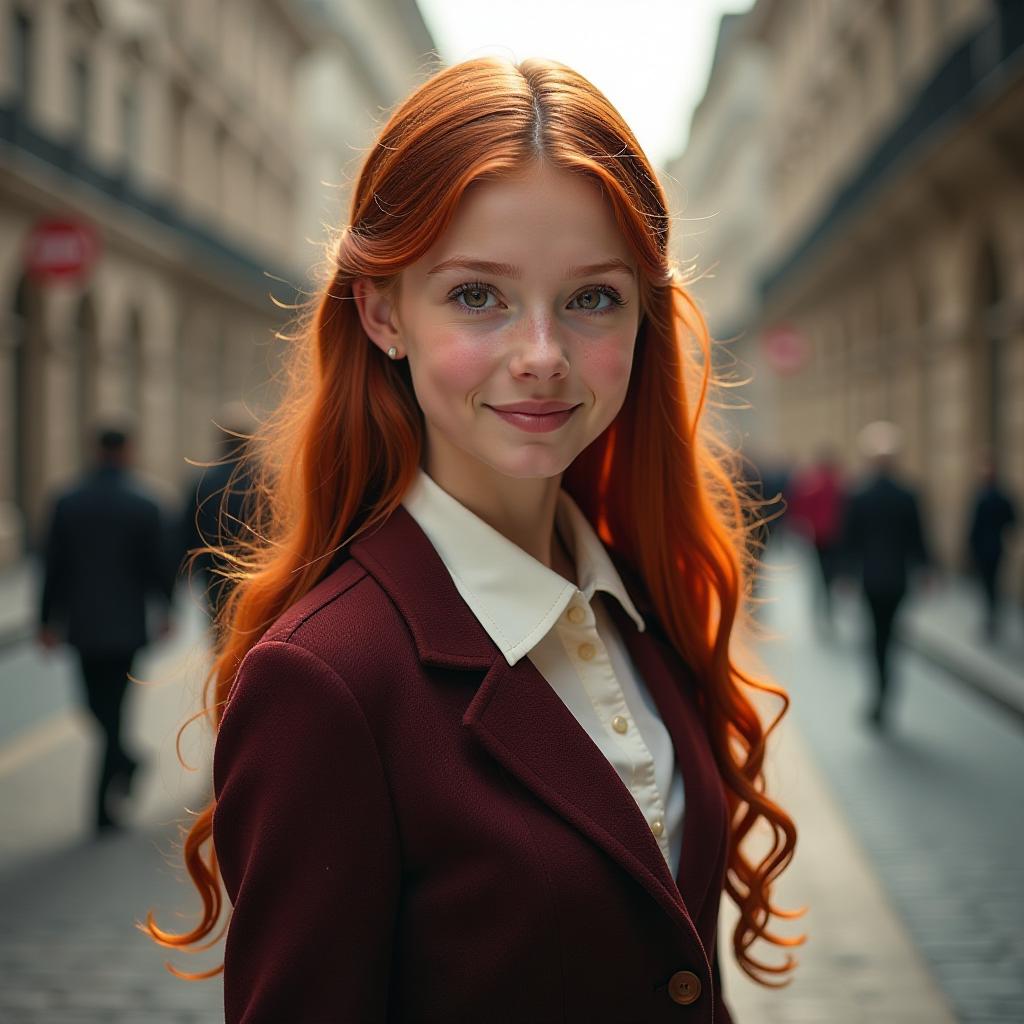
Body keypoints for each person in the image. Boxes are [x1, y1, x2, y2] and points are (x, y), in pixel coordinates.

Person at [145, 58, 802, 1022]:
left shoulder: (639, 598)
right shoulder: (326, 677)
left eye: (592, 298)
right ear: (382, 312)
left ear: (643, 316)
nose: (542, 357)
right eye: (476, 296)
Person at [38, 427, 173, 833]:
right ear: (128, 449)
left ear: (97, 450)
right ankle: (128, 761)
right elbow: (159, 567)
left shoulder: (66, 501)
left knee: (96, 709)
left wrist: (47, 619)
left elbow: (53, 568)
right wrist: (166, 608)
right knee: (112, 711)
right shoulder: (146, 502)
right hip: (127, 625)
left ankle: (102, 809)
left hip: (83, 624)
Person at [843, 421, 931, 730]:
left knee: (876, 637)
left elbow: (849, 539)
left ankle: (878, 693)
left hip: (870, 577)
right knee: (891, 635)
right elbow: (919, 538)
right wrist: (926, 570)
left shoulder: (859, 495)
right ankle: (886, 692)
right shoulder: (908, 494)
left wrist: (844, 575)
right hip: (897, 578)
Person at [177, 402, 257, 626]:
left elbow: (186, 534)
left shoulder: (203, 481)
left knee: (220, 635)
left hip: (213, 576)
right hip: (258, 575)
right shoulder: (268, 480)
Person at [789, 450, 845, 627]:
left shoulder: (814, 484)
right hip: (836, 536)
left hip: (819, 536)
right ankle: (828, 603)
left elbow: (801, 507)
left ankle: (822, 604)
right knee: (830, 572)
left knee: (821, 573)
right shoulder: (839, 485)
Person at [966, 461, 1017, 639]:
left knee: (988, 585)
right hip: (996, 548)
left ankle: (991, 619)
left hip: (984, 548)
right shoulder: (1002, 497)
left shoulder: (982, 497)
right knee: (991, 584)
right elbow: (1012, 520)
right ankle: (992, 617)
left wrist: (970, 546)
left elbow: (974, 525)